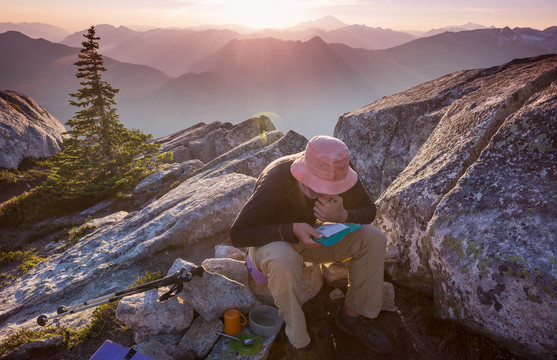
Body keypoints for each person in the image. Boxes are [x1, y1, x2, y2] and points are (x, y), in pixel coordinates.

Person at [230, 135, 393, 358]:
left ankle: (351, 318)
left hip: (312, 234)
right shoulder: (278, 178)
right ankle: (299, 342)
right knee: (282, 258)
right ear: (302, 173)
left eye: (334, 187)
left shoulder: (340, 167)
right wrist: (291, 230)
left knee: (373, 238)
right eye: (320, 186)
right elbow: (238, 234)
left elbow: (369, 211)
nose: (327, 192)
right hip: (270, 241)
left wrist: (344, 215)